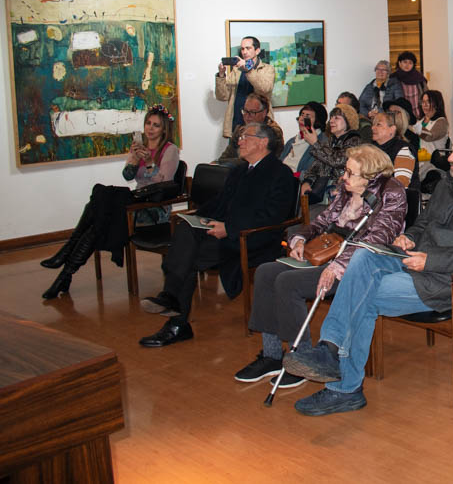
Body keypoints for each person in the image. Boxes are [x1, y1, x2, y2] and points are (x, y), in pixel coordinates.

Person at [282, 129, 453, 416]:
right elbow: (423, 225)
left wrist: (431, 261)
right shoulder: (447, 184)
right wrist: (408, 237)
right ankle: (330, 348)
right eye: (452, 150)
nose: (450, 157)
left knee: (362, 294)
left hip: (450, 280)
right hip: (414, 259)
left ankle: (345, 386)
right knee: (363, 257)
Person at [235, 145, 407, 387]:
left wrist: (337, 266)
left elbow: (376, 240)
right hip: (327, 251)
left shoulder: (391, 193)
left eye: (350, 173)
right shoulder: (348, 190)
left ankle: (302, 359)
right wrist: (301, 238)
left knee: (287, 282)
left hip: (355, 262)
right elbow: (323, 220)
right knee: (265, 272)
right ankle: (272, 356)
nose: (343, 177)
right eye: (345, 171)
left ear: (369, 176)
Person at [138, 123, 298, 347]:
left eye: (245, 137)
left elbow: (272, 217)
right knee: (185, 230)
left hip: (253, 239)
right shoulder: (240, 170)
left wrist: (230, 229)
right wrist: (196, 217)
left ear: (263, 142)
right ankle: (172, 305)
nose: (239, 141)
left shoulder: (280, 173)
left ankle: (175, 318)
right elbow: (220, 203)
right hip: (227, 231)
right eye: (240, 137)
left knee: (187, 257)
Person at [41, 105, 180, 299]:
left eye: (156, 125)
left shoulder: (170, 150)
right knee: (100, 201)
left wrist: (149, 163)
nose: (150, 128)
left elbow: (164, 183)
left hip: (154, 209)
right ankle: (65, 274)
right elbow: (127, 176)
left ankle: (65, 262)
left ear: (164, 129)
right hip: (136, 200)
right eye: (148, 123)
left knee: (101, 204)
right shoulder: (141, 146)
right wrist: (133, 158)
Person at [300, 104, 363, 204]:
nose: (331, 121)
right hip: (321, 189)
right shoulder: (331, 140)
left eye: (337, 118)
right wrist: (307, 181)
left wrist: (315, 143)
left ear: (348, 121)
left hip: (339, 190)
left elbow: (338, 161)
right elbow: (316, 164)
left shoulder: (354, 140)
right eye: (331, 118)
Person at [215, 35, 275, 138]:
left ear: (257, 51)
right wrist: (221, 75)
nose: (244, 52)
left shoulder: (268, 69)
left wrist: (247, 69)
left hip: (260, 127)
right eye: (242, 49)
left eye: (248, 48)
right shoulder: (236, 70)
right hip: (237, 124)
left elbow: (265, 88)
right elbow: (223, 96)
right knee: (234, 154)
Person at [216, 92, 283, 165]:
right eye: (245, 111)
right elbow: (224, 158)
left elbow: (267, 161)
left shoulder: (273, 132)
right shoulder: (240, 129)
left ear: (264, 113)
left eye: (252, 112)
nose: (247, 116)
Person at [278, 101, 328, 178]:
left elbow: (315, 172)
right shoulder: (292, 140)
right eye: (302, 115)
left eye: (307, 116)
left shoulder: (322, 142)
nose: (302, 119)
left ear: (317, 121)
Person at [370, 110, 416, 189]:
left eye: (378, 125)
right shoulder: (371, 148)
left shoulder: (403, 150)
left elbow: (401, 184)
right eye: (373, 124)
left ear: (392, 129)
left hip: (396, 198)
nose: (373, 128)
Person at [413, 89, 449, 182]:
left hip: (434, 164)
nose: (424, 105)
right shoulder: (420, 121)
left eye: (428, 102)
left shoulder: (441, 122)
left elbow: (430, 136)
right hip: (420, 161)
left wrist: (413, 126)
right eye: (423, 102)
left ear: (436, 104)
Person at [391, 51, 427, 116]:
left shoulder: (419, 78)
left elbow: (426, 96)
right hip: (400, 116)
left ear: (413, 65)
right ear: (399, 63)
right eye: (405, 62)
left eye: (410, 63)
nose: (407, 65)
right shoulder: (393, 78)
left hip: (418, 115)